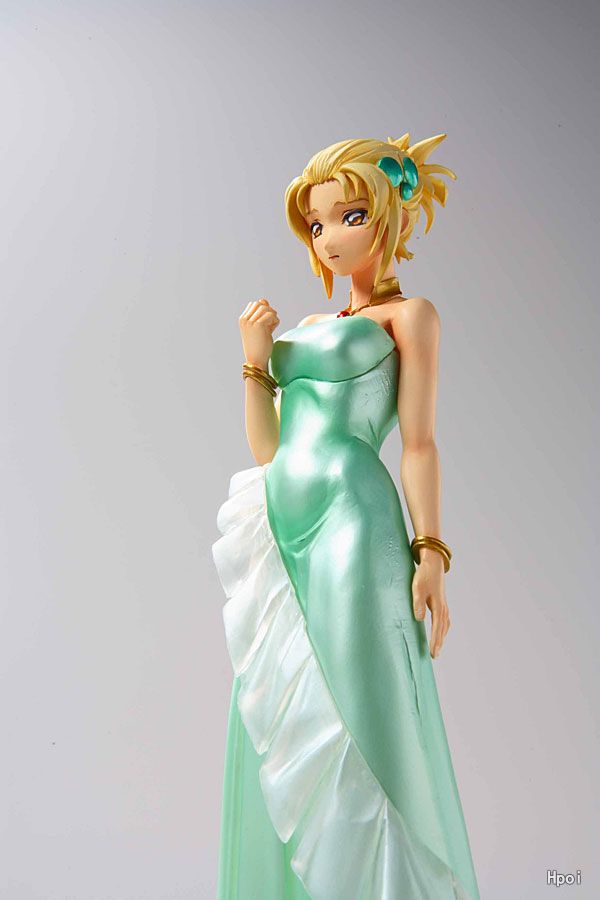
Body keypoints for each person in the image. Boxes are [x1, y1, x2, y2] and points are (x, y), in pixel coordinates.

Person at [211, 133, 481, 899]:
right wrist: (255, 358)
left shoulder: (410, 317)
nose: (331, 237)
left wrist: (430, 551)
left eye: (350, 216)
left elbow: (419, 442)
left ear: (389, 217)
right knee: (284, 708)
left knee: (362, 707)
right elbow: (269, 449)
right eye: (318, 223)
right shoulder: (306, 322)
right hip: (281, 525)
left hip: (352, 524)